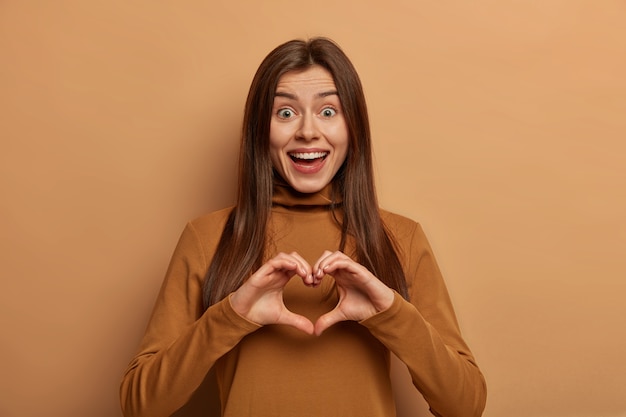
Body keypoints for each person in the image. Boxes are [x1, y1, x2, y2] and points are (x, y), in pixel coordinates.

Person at [120, 37, 487, 417]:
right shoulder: (207, 238)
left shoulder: (401, 238)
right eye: (285, 113)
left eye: (329, 112)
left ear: (354, 126)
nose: (308, 132)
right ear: (260, 129)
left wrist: (391, 313)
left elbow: (466, 405)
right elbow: (139, 405)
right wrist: (231, 316)